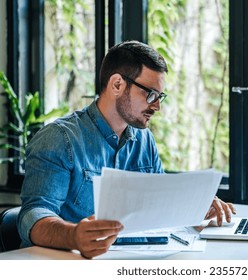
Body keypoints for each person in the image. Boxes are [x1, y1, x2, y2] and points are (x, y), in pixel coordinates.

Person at [17, 40, 235, 259]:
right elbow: (33, 215)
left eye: (160, 97)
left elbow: (158, 208)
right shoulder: (59, 138)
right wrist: (74, 235)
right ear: (117, 85)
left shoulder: (144, 139)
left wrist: (196, 207)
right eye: (150, 94)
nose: (157, 106)